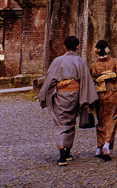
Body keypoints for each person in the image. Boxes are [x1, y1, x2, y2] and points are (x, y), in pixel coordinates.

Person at [37, 36, 98, 166]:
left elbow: (50, 79)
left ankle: (61, 149)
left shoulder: (57, 61)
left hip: (61, 94)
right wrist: (86, 100)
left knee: (59, 122)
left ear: (64, 46)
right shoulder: (80, 61)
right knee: (70, 121)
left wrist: (43, 96)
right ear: (78, 46)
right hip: (75, 94)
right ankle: (68, 150)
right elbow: (86, 81)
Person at [88, 39, 117, 161]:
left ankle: (99, 147)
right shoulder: (114, 62)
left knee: (101, 119)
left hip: (100, 95)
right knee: (112, 119)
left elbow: (91, 81)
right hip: (114, 94)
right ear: (108, 49)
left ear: (96, 51)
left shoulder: (94, 66)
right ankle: (107, 144)